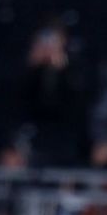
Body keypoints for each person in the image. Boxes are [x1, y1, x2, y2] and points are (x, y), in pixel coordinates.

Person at [21, 24, 89, 166]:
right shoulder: (28, 70)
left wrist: (63, 71)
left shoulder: (75, 70)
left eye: (52, 41)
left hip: (65, 138)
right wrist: (32, 69)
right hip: (33, 134)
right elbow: (21, 103)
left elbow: (76, 107)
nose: (48, 47)